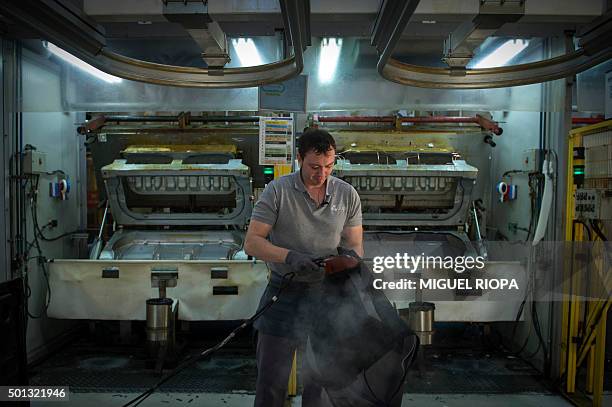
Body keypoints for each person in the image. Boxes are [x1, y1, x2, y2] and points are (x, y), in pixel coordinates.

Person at [244, 128, 363, 407]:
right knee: (271, 381)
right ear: (299, 158)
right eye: (314, 166)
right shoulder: (278, 191)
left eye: (329, 166)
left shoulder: (347, 195)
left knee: (321, 384)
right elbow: (252, 242)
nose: (322, 174)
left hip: (328, 298)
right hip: (283, 295)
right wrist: (290, 257)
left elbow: (356, 247)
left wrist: (346, 261)